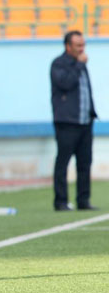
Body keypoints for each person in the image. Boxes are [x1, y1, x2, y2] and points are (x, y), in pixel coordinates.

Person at [50, 30, 98, 211]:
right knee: (63, 163)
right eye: (78, 45)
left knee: (85, 163)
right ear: (68, 46)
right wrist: (78, 65)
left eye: (83, 45)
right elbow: (65, 83)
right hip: (67, 123)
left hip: (85, 122)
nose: (82, 49)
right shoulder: (59, 64)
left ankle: (83, 200)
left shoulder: (81, 65)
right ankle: (61, 201)